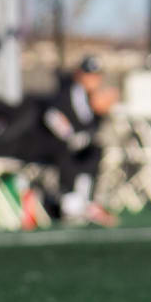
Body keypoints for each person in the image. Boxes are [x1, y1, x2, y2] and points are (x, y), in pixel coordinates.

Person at [40, 56, 119, 225]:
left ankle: (85, 201)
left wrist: (101, 112)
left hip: (80, 147)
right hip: (53, 144)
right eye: (90, 75)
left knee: (95, 150)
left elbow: (91, 126)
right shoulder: (68, 92)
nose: (94, 80)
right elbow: (52, 116)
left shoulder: (91, 96)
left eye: (97, 76)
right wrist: (71, 135)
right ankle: (71, 203)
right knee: (71, 150)